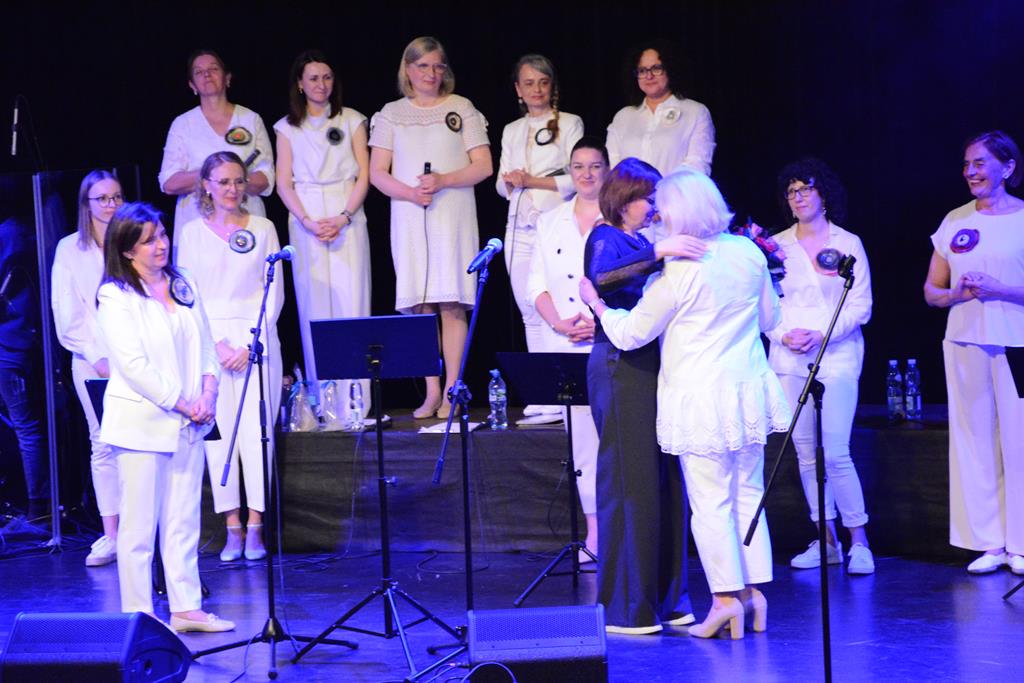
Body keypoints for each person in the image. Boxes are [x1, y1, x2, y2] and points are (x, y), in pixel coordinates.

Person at [582, 168, 791, 639]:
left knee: (711, 501)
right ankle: (753, 594)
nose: (658, 217)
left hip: (701, 399)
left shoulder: (680, 270)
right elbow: (769, 318)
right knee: (748, 493)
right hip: (747, 392)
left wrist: (596, 305)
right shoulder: (747, 252)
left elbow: (631, 333)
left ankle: (724, 600)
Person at [582, 157, 707, 635]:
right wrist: (660, 251)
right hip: (620, 366)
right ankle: (629, 607)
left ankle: (668, 598)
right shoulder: (606, 236)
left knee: (664, 480)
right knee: (629, 481)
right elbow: (603, 278)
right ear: (624, 198)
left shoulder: (642, 241)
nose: (654, 208)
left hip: (654, 365)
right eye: (648, 199)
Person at [97, 202, 233, 632]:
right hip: (143, 424)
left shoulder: (182, 281)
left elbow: (206, 343)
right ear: (127, 250)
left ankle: (186, 608)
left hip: (189, 422)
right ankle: (140, 615)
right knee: (138, 529)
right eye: (149, 240)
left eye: (162, 235)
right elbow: (134, 366)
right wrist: (184, 403)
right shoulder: (115, 296)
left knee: (183, 521)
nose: (161, 245)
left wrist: (208, 391)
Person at [369, 36, 493, 419]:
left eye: (438, 66)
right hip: (410, 214)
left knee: (451, 302)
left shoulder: (462, 108)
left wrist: (443, 180)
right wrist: (410, 192)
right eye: (423, 66)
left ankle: (454, 389)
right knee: (421, 306)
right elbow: (377, 173)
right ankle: (431, 390)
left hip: (452, 212)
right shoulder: (391, 114)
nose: (431, 73)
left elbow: (483, 166)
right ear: (408, 70)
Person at [765, 159, 875, 574]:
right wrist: (782, 335)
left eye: (806, 189)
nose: (798, 197)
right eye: (792, 191)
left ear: (823, 194)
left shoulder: (849, 243)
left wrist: (822, 334)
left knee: (837, 451)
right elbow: (764, 305)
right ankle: (826, 540)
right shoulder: (774, 246)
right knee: (806, 454)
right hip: (790, 360)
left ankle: (859, 540)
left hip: (837, 356)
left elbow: (860, 306)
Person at [924, 130, 1024, 576]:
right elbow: (932, 291)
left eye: (980, 163)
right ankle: (990, 542)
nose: (970, 172)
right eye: (967, 164)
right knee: (974, 440)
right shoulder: (955, 219)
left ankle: (1021, 542)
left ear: (1008, 167)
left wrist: (1001, 289)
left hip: (1017, 341)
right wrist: (957, 295)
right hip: (965, 340)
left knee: (1019, 443)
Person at [174, 152, 283, 563]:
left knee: (256, 434)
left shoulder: (264, 228)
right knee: (218, 439)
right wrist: (215, 345)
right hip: (210, 344)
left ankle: (256, 526)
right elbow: (188, 295)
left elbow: (274, 290)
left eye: (238, 181)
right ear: (206, 185)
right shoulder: (190, 233)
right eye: (223, 182)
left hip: (257, 340)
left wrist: (252, 344)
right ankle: (231, 526)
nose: (232, 189)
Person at [525, 137, 607, 560]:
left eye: (594, 166)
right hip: (567, 343)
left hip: (611, 342)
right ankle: (595, 534)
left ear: (606, 170)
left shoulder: (619, 218)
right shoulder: (551, 220)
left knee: (618, 439)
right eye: (578, 166)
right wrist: (558, 322)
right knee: (583, 445)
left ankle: (627, 530)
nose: (586, 174)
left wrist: (602, 322)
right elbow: (536, 284)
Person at [275, 50, 371, 413]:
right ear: (300, 84)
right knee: (314, 307)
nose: (321, 84)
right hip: (307, 217)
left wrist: (344, 216)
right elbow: (283, 182)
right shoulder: (287, 128)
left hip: (347, 211)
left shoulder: (352, 120)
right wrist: (308, 221)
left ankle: (356, 403)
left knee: (352, 303)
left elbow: (364, 174)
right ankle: (324, 405)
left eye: (327, 77)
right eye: (313, 78)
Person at [497, 55, 584, 423]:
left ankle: (567, 390)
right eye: (529, 83)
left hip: (555, 224)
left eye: (543, 82)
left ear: (552, 86)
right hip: (520, 227)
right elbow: (500, 184)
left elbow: (576, 177)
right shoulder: (511, 130)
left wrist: (531, 181)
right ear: (518, 89)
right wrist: (511, 182)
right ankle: (544, 394)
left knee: (559, 304)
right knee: (530, 309)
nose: (536, 89)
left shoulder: (569, 123)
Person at [51, 170, 124, 566]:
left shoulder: (134, 238)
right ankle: (111, 534)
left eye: (116, 197)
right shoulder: (70, 249)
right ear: (87, 204)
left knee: (140, 443)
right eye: (102, 198)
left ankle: (142, 530)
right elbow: (67, 313)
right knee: (104, 442)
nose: (110, 205)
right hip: (93, 361)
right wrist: (98, 357)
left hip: (136, 359)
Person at [159, 49, 275, 233]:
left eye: (213, 69)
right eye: (199, 72)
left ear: (227, 78)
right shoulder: (182, 124)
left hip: (246, 223)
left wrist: (236, 179)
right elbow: (169, 183)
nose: (207, 74)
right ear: (192, 85)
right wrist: (212, 174)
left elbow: (266, 177)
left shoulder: (250, 119)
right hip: (198, 225)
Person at [0, 215, 48, 528]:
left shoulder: (10, 233)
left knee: (25, 425)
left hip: (9, 345)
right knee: (23, 425)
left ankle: (39, 508)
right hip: (12, 342)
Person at [606, 40, 715, 177]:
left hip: (676, 191)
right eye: (642, 71)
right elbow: (613, 167)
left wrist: (663, 188)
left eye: (656, 68)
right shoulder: (623, 116)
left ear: (670, 69)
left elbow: (697, 166)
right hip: (629, 191)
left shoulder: (695, 112)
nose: (649, 76)